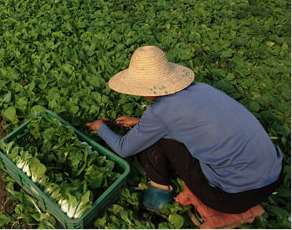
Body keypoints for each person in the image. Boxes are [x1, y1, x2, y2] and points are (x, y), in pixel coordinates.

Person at [85, 45, 283, 229]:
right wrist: (140, 121)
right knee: (156, 134)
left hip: (233, 196)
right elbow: (191, 121)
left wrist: (100, 127)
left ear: (141, 88)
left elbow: (123, 148)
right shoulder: (202, 89)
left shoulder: (160, 112)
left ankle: (158, 196)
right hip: (273, 176)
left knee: (150, 141)